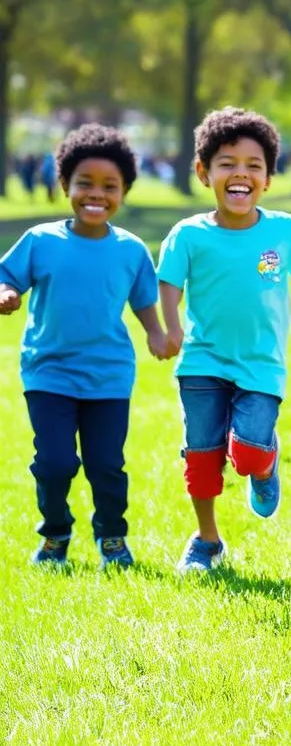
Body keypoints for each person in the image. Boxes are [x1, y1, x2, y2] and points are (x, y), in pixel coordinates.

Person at [157, 107, 291, 574]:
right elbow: (170, 283)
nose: (241, 174)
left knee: (249, 451)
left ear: (269, 178)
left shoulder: (284, 229)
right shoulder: (187, 234)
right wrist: (171, 327)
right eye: (227, 163)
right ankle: (207, 540)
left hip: (260, 363)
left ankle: (264, 462)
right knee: (201, 456)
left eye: (254, 165)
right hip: (202, 360)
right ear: (203, 172)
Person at [0, 125, 169, 568]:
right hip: (48, 371)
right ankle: (55, 534)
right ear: (64, 186)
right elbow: (7, 277)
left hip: (109, 376)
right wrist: (6, 293)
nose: (96, 194)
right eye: (84, 184)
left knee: (106, 465)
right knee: (54, 463)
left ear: (125, 191)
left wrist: (155, 332)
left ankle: (112, 536)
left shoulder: (131, 250)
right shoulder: (40, 241)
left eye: (109, 186)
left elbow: (144, 301)